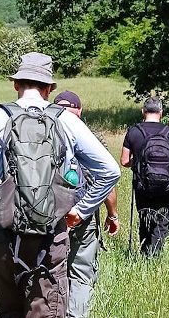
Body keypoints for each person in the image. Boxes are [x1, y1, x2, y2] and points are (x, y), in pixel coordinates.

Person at [0, 52, 120, 318]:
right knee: (46, 310)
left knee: (8, 310)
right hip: (50, 232)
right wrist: (80, 211)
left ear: (16, 85)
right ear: (48, 89)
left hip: (1, 227)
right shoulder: (66, 120)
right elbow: (110, 171)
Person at [53, 90, 120, 318]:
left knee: (50, 271)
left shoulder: (42, 133)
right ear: (79, 111)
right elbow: (107, 182)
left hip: (47, 213)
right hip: (82, 213)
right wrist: (112, 215)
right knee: (81, 272)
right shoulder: (91, 137)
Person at [121, 97, 169, 257]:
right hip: (166, 186)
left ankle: (145, 253)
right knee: (162, 220)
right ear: (161, 112)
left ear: (143, 111)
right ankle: (155, 255)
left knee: (145, 217)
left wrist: (140, 163)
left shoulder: (133, 131)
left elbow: (124, 161)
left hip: (142, 184)